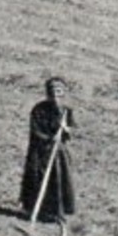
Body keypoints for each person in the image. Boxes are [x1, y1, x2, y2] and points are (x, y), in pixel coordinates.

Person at [20, 76, 77, 224]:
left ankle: (58, 212)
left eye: (58, 91)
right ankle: (37, 210)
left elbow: (71, 130)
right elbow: (35, 130)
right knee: (38, 178)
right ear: (47, 92)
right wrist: (48, 138)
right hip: (40, 152)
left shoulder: (66, 111)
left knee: (59, 180)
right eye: (51, 91)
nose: (55, 94)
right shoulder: (38, 109)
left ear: (63, 92)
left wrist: (66, 131)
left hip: (59, 151)